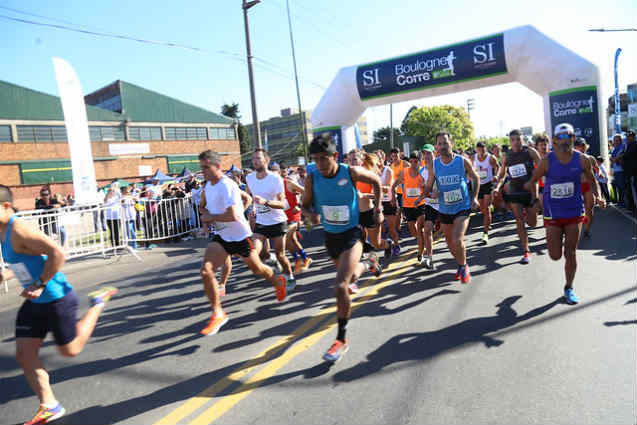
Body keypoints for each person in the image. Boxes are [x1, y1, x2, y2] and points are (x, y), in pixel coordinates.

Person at [0, 184, 117, 425]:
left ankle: (97, 303)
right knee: (24, 354)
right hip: (33, 302)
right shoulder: (1, 230)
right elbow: (23, 261)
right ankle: (49, 405)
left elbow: (58, 253)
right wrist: (5, 276)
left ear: (6, 206)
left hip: (55, 297)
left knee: (71, 350)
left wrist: (41, 282)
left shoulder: (19, 229)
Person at [301, 135, 383, 363]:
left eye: (324, 159)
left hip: (352, 234)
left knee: (340, 286)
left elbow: (376, 181)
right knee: (350, 276)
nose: (320, 164)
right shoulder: (312, 178)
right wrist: (310, 217)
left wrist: (378, 210)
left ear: (335, 156)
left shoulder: (350, 172)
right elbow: (304, 206)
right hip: (330, 237)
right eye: (315, 159)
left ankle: (341, 339)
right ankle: (369, 263)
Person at [197, 150, 288, 336]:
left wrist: (211, 217)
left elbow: (233, 215)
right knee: (206, 270)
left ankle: (279, 281)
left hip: (240, 237)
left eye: (206, 167)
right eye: (202, 168)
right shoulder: (209, 185)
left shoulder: (227, 185)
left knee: (258, 269)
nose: (203, 171)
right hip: (222, 237)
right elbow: (210, 208)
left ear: (218, 167)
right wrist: (207, 222)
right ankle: (218, 313)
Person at [524, 123, 605, 304]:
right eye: (561, 137)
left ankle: (569, 287)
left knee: (571, 253)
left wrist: (598, 197)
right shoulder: (547, 161)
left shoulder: (582, 159)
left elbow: (593, 181)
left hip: (574, 211)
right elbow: (534, 180)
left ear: (573, 139)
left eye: (568, 136)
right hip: (553, 212)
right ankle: (555, 243)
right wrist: (531, 196)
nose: (565, 140)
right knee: (555, 255)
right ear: (555, 140)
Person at [423, 132, 480, 283]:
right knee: (450, 243)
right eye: (440, 144)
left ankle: (464, 266)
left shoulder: (462, 161)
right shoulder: (434, 164)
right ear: (436, 147)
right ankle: (461, 264)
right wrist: (429, 194)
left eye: (445, 143)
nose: (442, 146)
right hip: (444, 209)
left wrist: (474, 197)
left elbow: (476, 177)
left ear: (451, 144)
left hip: (462, 207)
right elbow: (429, 185)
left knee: (457, 239)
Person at [246, 151, 296, 288]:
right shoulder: (249, 178)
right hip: (261, 221)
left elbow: (283, 204)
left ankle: (289, 275)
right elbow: (252, 197)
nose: (255, 161)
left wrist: (266, 202)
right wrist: (253, 209)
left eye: (258, 158)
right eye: (253, 159)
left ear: (266, 160)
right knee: (255, 252)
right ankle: (270, 259)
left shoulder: (275, 179)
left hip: (277, 222)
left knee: (281, 254)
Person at [493, 129, 541, 264]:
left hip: (529, 192)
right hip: (514, 191)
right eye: (513, 140)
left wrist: (533, 181)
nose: (515, 142)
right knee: (519, 220)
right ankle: (526, 251)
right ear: (510, 142)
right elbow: (502, 174)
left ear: (522, 140)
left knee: (532, 223)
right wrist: (497, 185)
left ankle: (527, 215)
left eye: (518, 139)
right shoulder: (507, 156)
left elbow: (542, 167)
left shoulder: (530, 152)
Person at [349, 150, 394, 272]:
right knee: (356, 242)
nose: (351, 162)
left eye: (354, 159)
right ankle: (371, 264)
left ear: (361, 160)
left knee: (376, 243)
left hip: (369, 212)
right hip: (355, 214)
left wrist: (364, 196)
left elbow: (380, 194)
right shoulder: (349, 175)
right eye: (350, 160)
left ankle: (388, 244)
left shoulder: (368, 174)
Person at [391, 151, 427, 265]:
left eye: (415, 162)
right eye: (411, 161)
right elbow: (393, 185)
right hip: (407, 206)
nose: (413, 164)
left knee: (420, 228)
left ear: (419, 162)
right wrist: (393, 197)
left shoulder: (423, 173)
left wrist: (423, 190)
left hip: (421, 204)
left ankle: (420, 254)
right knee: (413, 231)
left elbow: (427, 190)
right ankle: (422, 242)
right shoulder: (404, 172)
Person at [280, 164, 312, 274]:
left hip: (294, 216)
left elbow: (306, 193)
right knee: (292, 240)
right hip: (283, 217)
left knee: (287, 239)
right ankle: (305, 258)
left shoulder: (288, 183)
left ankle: (297, 260)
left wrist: (299, 206)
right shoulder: (272, 187)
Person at [415, 144, 440, 269]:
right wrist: (421, 197)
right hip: (431, 204)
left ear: (434, 153)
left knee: (451, 234)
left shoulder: (440, 166)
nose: (426, 156)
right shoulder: (421, 171)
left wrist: (439, 192)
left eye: (429, 153)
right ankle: (429, 258)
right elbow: (423, 188)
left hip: (445, 203)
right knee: (427, 229)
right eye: (424, 154)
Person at [472, 141, 499, 244]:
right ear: (476, 150)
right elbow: (470, 169)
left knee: (486, 209)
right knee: (481, 208)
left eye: (483, 150)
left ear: (486, 149)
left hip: (488, 184)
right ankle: (488, 220)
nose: (481, 153)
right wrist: (471, 175)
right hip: (479, 185)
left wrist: (496, 175)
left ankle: (485, 233)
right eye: (479, 150)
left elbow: (498, 166)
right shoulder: (473, 158)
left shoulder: (490, 158)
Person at [574, 138, 599, 238]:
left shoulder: (591, 158)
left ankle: (587, 229)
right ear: (575, 147)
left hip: (588, 185)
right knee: (576, 210)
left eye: (583, 145)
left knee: (590, 208)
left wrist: (599, 174)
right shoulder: (572, 159)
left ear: (586, 146)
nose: (581, 148)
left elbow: (597, 169)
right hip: (576, 187)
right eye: (579, 146)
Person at [609, 134, 626, 207]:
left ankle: (623, 203)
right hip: (616, 171)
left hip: (621, 170)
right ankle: (620, 202)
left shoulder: (622, 147)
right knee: (618, 187)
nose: (615, 142)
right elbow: (613, 159)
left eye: (617, 140)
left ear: (620, 140)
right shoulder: (614, 149)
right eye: (614, 140)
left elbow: (620, 156)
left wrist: (614, 159)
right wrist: (613, 160)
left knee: (622, 187)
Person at [623, 130, 637, 212]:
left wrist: (621, 157)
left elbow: (627, 156)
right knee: (631, 190)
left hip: (634, 172)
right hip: (630, 172)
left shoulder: (634, 144)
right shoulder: (628, 145)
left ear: (633, 137)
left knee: (634, 190)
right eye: (627, 136)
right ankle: (632, 207)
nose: (627, 138)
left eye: (629, 136)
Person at [120, 186, 138, 250]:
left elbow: (136, 200)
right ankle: (132, 243)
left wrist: (132, 196)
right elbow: (121, 202)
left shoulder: (131, 196)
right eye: (126, 190)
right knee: (129, 231)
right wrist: (125, 197)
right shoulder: (121, 197)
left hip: (132, 215)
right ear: (122, 191)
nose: (127, 191)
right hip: (126, 216)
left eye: (127, 190)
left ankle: (134, 244)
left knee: (132, 230)